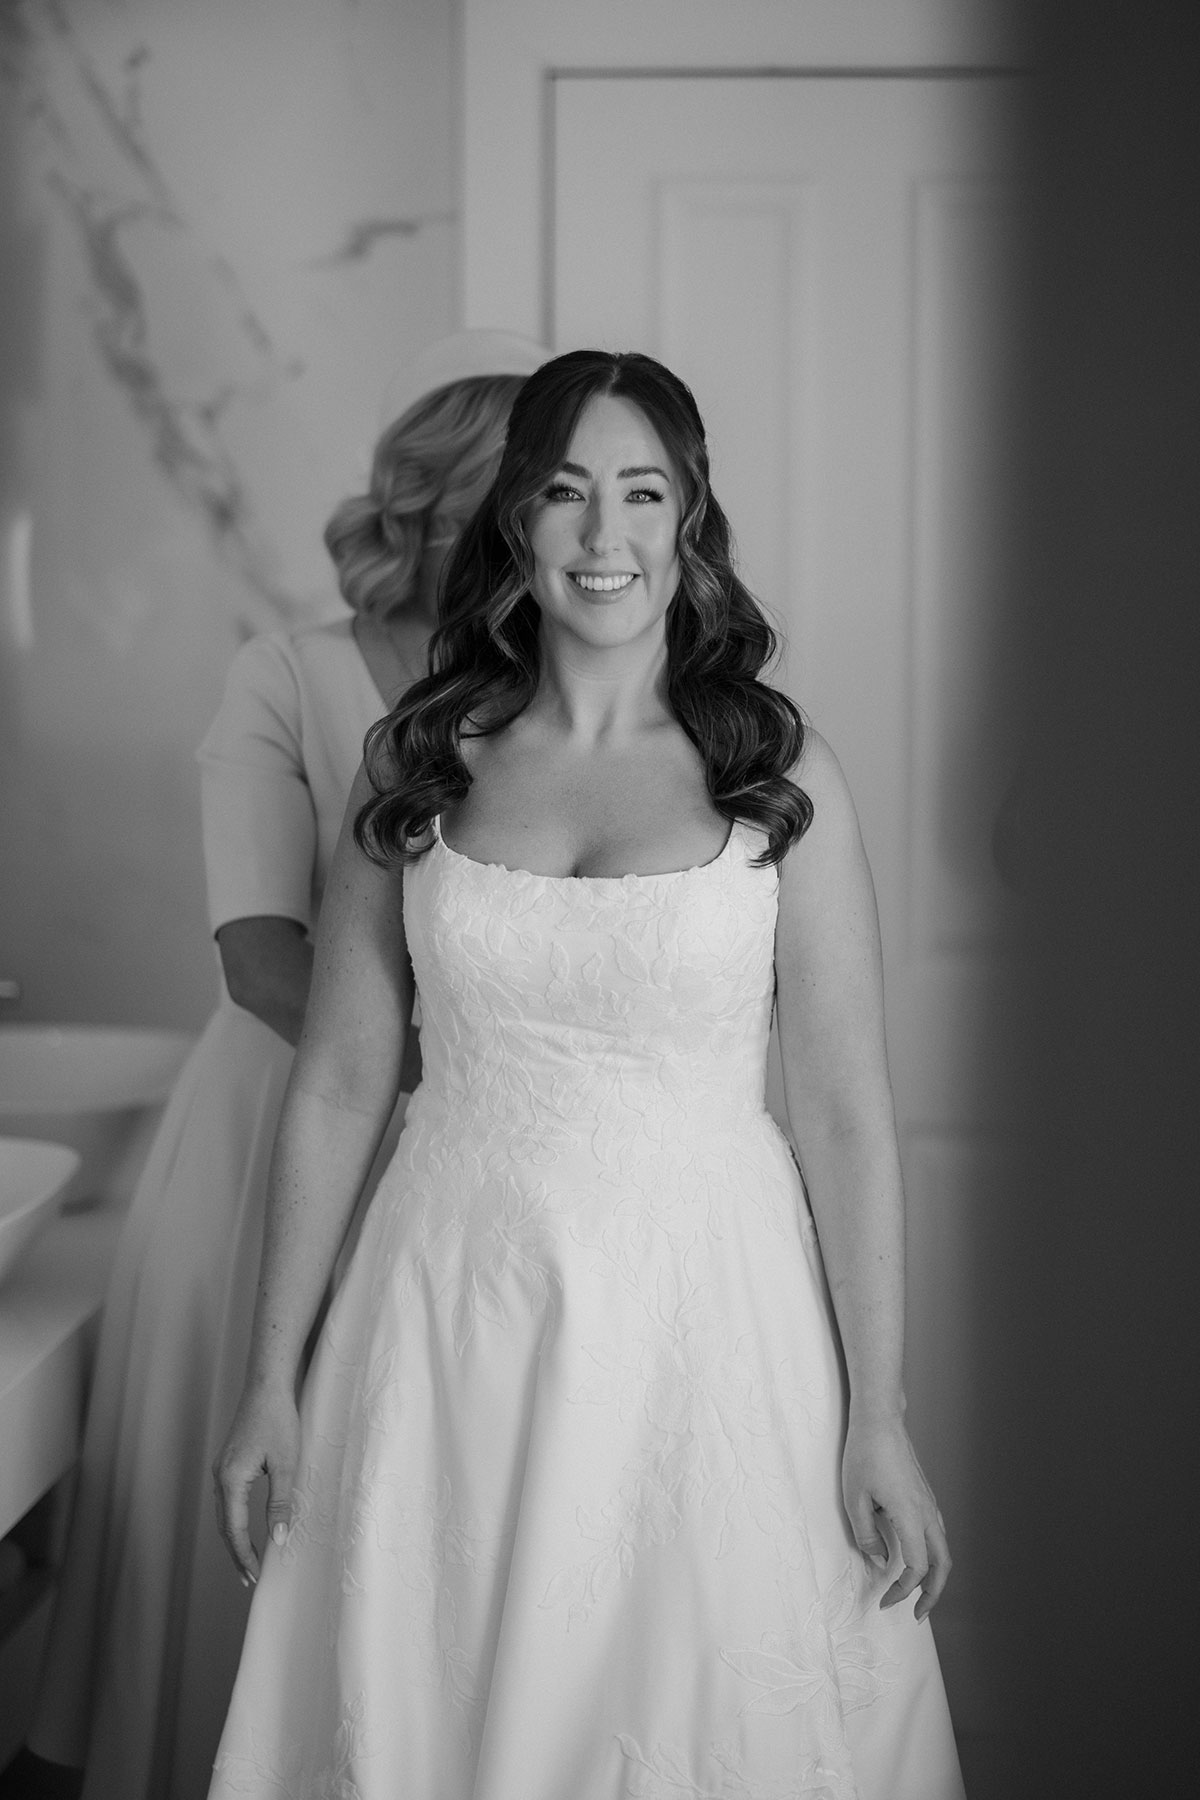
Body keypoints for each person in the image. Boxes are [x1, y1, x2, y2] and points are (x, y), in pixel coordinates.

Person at [209, 349, 966, 1800]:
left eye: (641, 493)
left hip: (710, 1321)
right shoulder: (417, 764)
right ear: (513, 523)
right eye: (563, 494)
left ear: (689, 521)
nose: (603, 537)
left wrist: (883, 1412)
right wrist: (270, 1378)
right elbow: (339, 1084)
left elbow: (849, 1115)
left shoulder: (779, 772)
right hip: (451, 1307)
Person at [14, 332, 548, 1800]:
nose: (537, 540)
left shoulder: (567, 682)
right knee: (273, 1473)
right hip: (286, 1112)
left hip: (494, 1147)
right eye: (512, 502)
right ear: (429, 512)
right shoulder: (291, 674)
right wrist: (449, 1064)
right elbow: (257, 958)